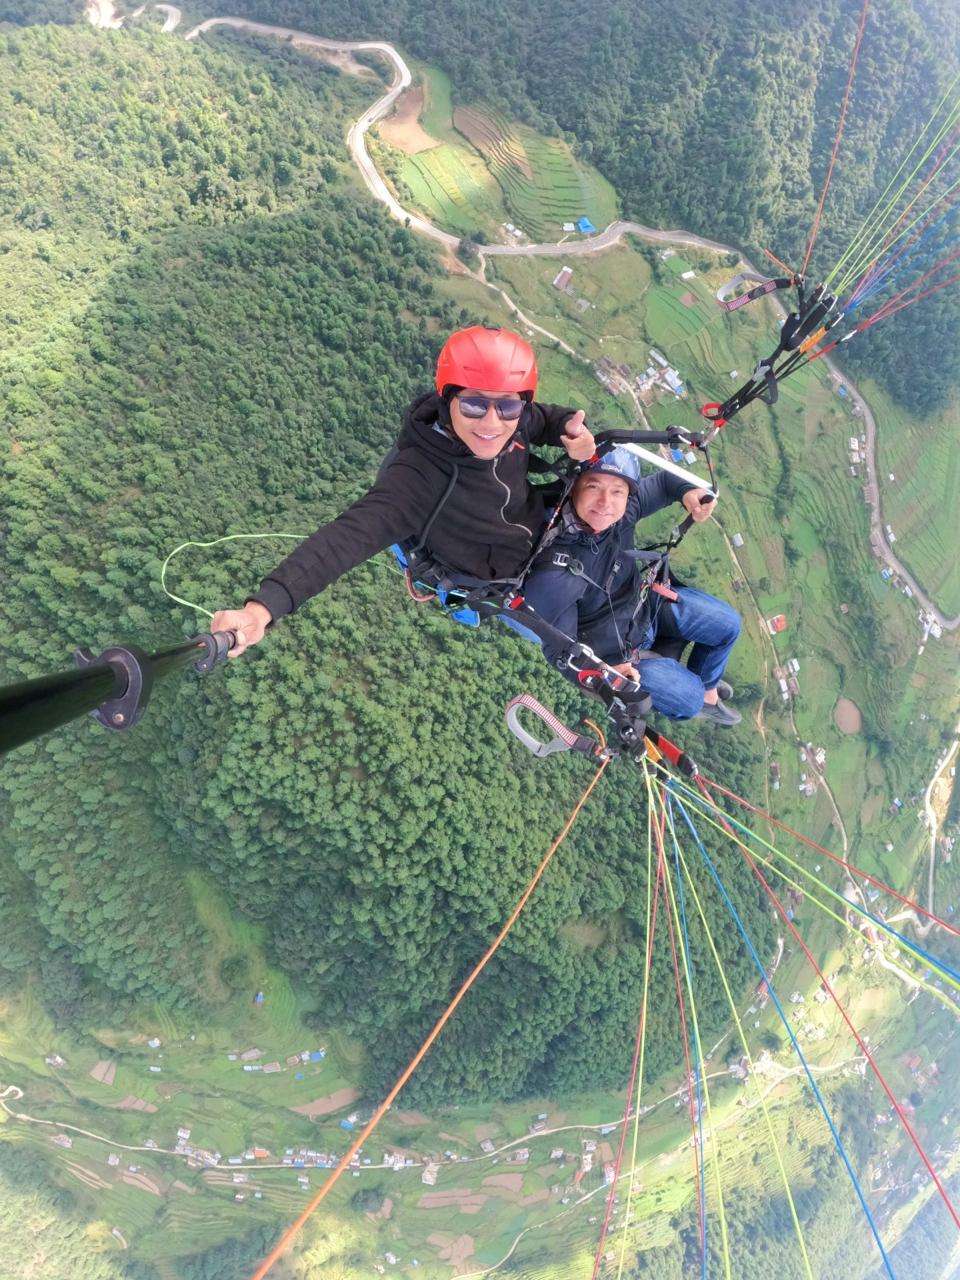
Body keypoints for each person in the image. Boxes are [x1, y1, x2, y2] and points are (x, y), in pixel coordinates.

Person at [210, 325, 595, 654]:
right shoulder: (418, 477)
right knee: (581, 639)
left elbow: (542, 419)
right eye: (474, 406)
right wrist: (263, 609)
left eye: (507, 407)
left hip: (541, 528)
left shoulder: (517, 417)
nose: (492, 423)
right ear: (448, 398)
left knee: (614, 497)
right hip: (497, 579)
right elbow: (345, 540)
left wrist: (568, 431)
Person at [520, 448, 743, 726]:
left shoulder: (622, 513)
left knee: (728, 625)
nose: (606, 502)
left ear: (627, 495)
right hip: (621, 657)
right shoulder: (554, 569)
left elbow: (664, 483)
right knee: (690, 700)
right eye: (593, 486)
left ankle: (709, 688)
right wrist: (608, 674)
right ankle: (701, 697)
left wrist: (687, 492)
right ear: (573, 487)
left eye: (617, 491)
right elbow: (560, 649)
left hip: (646, 609)